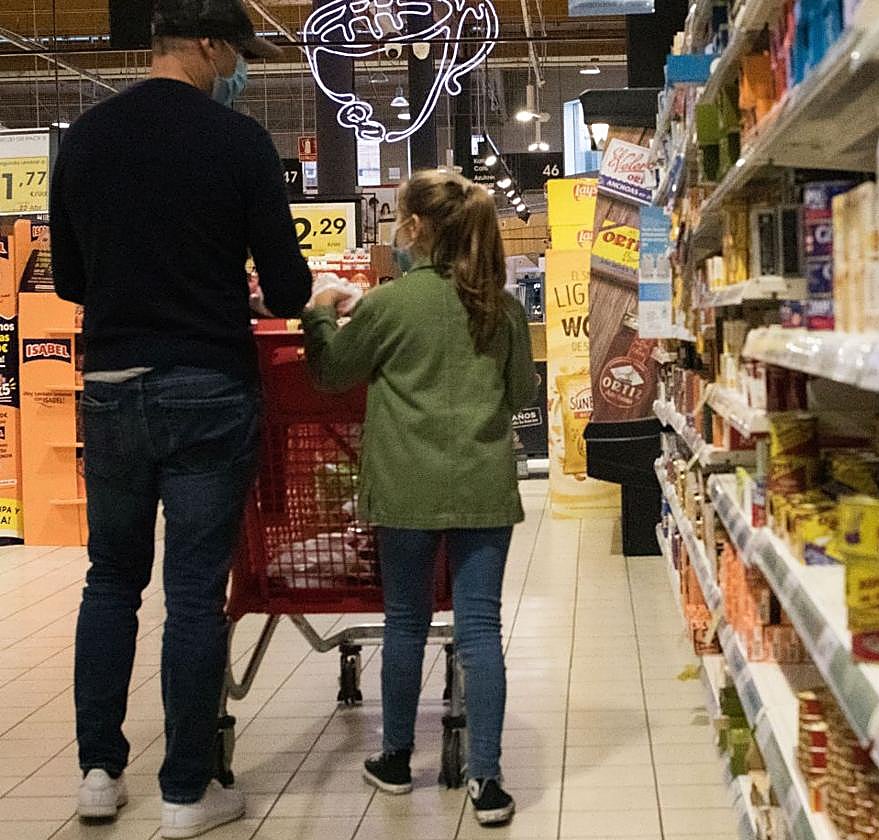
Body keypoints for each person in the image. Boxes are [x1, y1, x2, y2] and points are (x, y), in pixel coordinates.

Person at [49, 1, 311, 837]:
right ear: (207, 45)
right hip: (207, 386)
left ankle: (97, 772)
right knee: (195, 597)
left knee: (110, 581)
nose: (239, 70)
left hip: (115, 385)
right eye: (237, 54)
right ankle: (186, 793)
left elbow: (69, 281)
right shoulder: (238, 144)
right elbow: (292, 287)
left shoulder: (85, 137)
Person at [302, 169, 536, 827]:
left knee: (405, 623)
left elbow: (332, 372)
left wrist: (319, 313)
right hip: (485, 487)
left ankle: (397, 760)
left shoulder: (388, 304)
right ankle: (487, 783)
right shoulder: (503, 308)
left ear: (414, 227)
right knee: (480, 629)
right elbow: (520, 393)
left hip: (404, 487)